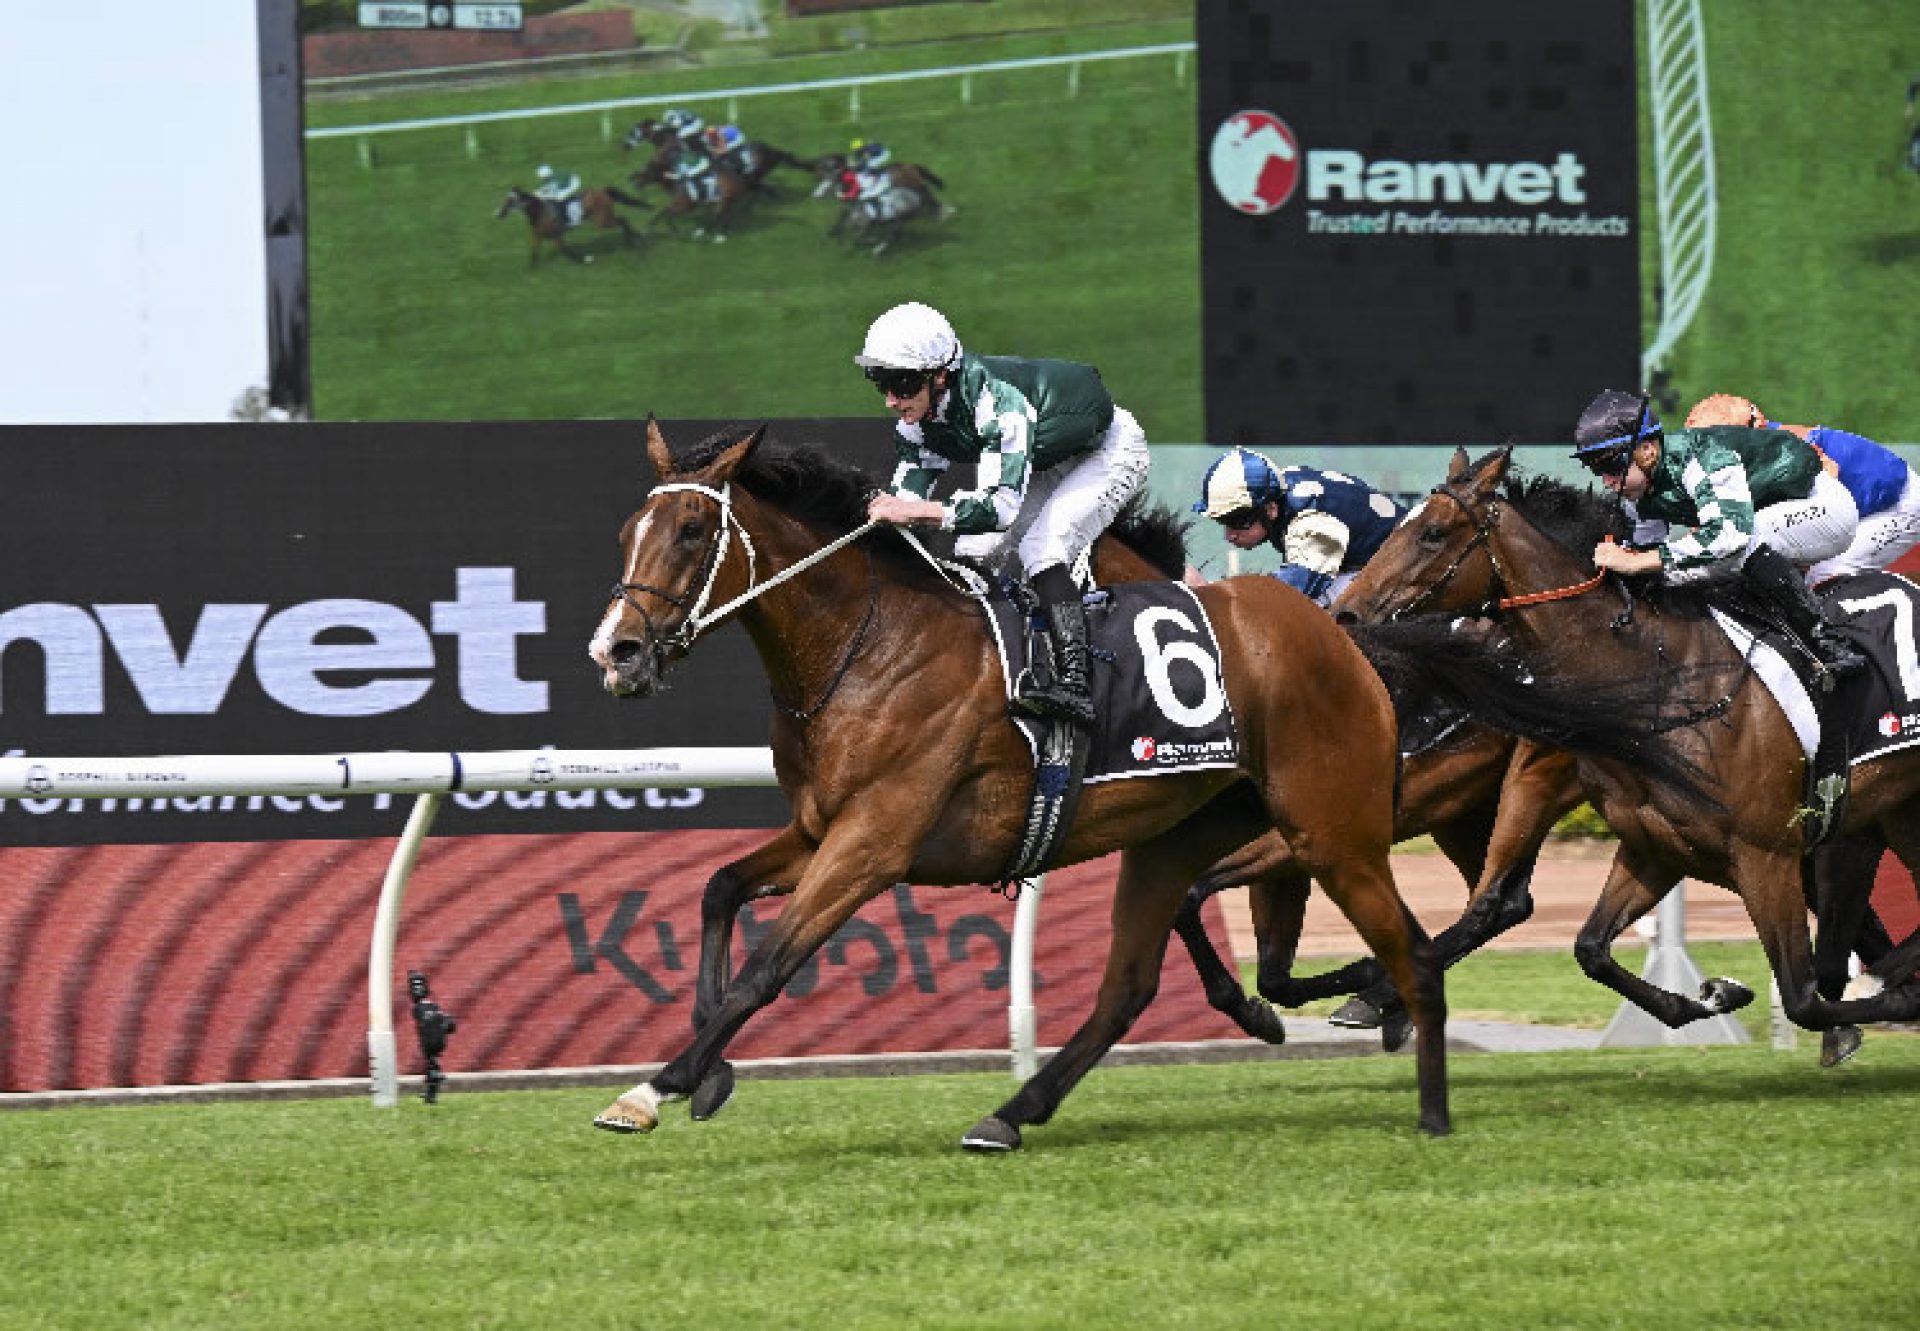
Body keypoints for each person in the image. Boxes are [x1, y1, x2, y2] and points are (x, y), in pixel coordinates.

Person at [857, 301, 1150, 727]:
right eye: (880, 383)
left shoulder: (998, 405)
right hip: (1046, 457)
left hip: (1106, 450)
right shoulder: (916, 424)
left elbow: (998, 508)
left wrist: (914, 510)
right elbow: (905, 504)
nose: (890, 400)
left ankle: (1075, 682)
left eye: (901, 384)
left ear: (940, 375)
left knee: (1042, 548)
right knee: (974, 549)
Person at [1572, 388, 1864, 678]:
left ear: (1647, 450)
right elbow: (1646, 554)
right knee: (1674, 572)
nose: (1606, 480)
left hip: (1824, 509)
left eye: (1610, 464)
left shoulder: (1701, 458)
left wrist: (1637, 561)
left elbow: (1729, 535)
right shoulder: (1636, 489)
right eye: (1595, 468)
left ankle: (1828, 643)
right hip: (1769, 513)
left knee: (1742, 544)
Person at [1687, 392, 1920, 586]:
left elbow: (1823, 517)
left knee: (1823, 577)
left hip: (1898, 506)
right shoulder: (1753, 444)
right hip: (1861, 501)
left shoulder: (1792, 454)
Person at [1192, 447, 1405, 606]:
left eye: (1239, 521)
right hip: (1360, 563)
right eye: (1223, 522)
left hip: (1401, 571)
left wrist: (1214, 599)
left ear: (1271, 509)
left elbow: (1290, 595)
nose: (1230, 536)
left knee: (1308, 610)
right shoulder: (1281, 485)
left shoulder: (1312, 522)